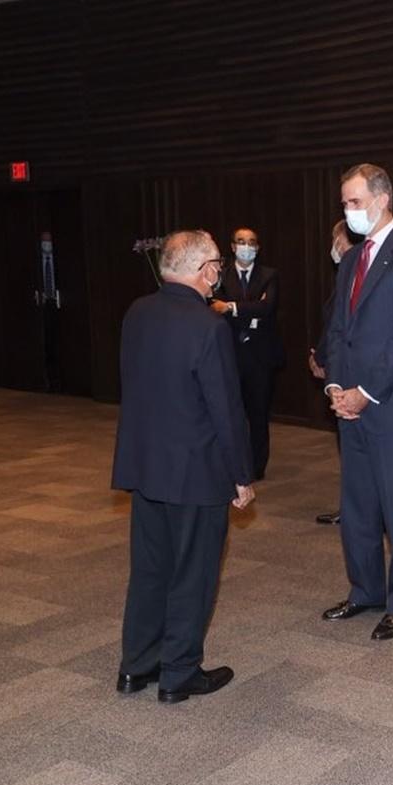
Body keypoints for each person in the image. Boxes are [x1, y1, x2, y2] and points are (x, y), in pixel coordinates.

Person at [112, 229, 256, 704]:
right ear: (201, 270)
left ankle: (137, 666)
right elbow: (225, 409)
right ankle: (178, 673)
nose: (220, 271)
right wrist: (241, 475)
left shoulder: (137, 312)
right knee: (194, 572)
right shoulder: (208, 326)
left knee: (151, 568)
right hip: (196, 472)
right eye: (218, 263)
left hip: (146, 466)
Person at [321, 163, 393, 642]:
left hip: (391, 407)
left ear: (382, 199)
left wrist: (364, 395)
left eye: (355, 202)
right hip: (349, 404)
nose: (349, 212)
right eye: (344, 204)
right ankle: (365, 589)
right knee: (360, 505)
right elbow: (337, 329)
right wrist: (335, 387)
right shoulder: (351, 259)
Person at [210, 227, 284, 480]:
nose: (246, 246)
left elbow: (267, 307)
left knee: (259, 414)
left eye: (252, 242)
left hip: (261, 357)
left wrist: (230, 307)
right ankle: (233, 463)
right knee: (232, 413)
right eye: (241, 242)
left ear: (258, 248)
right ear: (232, 246)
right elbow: (213, 305)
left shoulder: (269, 275)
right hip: (229, 354)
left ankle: (256, 467)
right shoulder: (221, 274)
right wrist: (250, 312)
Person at [311, 220, 353, 526]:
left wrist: (321, 356)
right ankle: (354, 507)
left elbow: (340, 326)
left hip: (350, 375)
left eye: (336, 241)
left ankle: (356, 510)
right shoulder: (346, 274)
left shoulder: (353, 276)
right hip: (338, 368)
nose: (333, 248)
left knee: (354, 448)